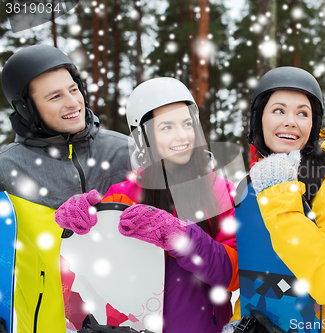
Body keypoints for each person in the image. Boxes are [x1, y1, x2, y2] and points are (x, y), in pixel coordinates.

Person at [55, 77, 239, 333]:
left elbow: (233, 274)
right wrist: (76, 226)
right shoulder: (123, 195)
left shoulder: (220, 191)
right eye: (166, 127)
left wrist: (181, 238)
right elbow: (88, 268)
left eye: (188, 124)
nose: (182, 135)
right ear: (143, 138)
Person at [0, 44, 131, 332]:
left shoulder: (125, 153)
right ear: (27, 108)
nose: (73, 103)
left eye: (74, 90)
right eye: (55, 96)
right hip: (47, 324)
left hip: (129, 321)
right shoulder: (7, 169)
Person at [240, 66, 325, 332]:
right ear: (259, 120)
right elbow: (253, 275)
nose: (290, 121)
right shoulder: (249, 186)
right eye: (279, 110)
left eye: (302, 113)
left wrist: (280, 196)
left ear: (313, 125)